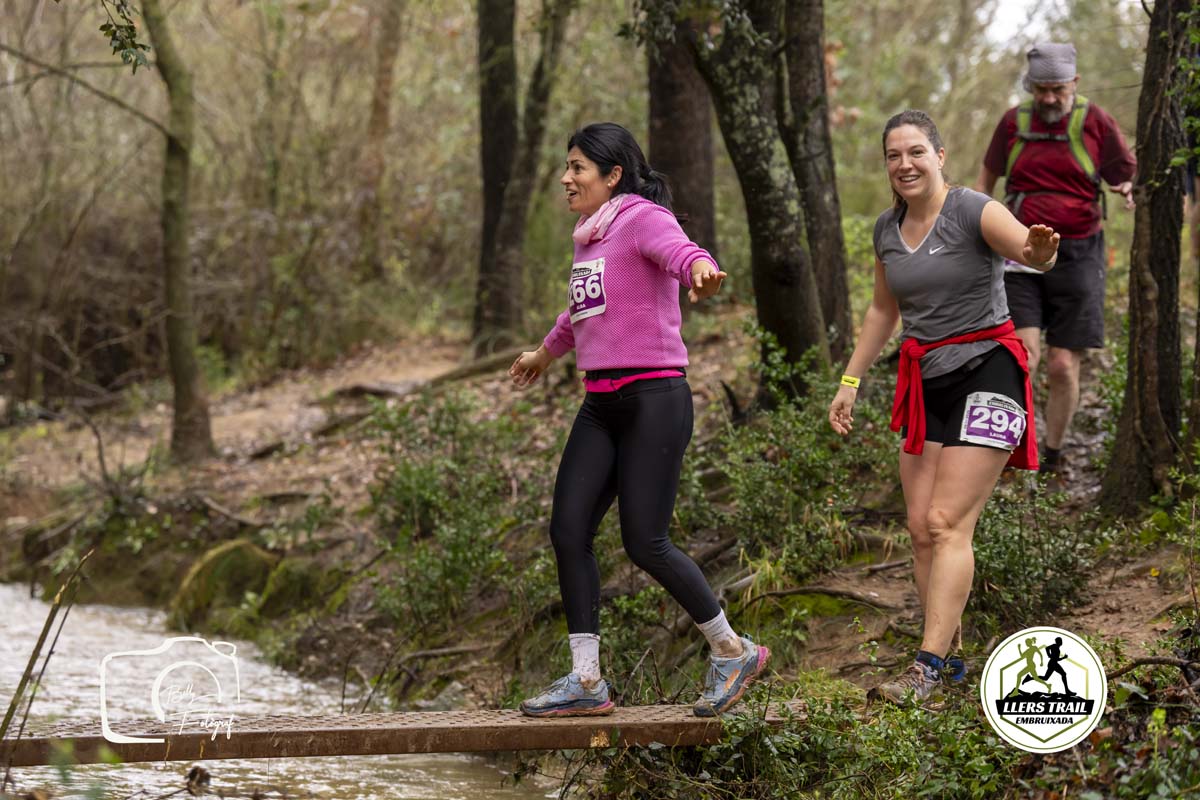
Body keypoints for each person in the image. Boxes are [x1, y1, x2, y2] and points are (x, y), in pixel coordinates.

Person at [508, 122, 769, 718]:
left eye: (577, 167)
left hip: (654, 399)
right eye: (567, 166)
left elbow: (684, 253)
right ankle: (586, 679)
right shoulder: (589, 236)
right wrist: (545, 353)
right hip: (601, 403)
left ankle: (733, 650)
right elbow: (582, 310)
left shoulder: (643, 218)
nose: (566, 178)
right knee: (568, 530)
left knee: (645, 542)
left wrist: (701, 271)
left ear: (613, 175)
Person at [829, 110, 1060, 704]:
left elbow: (1030, 251)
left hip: (990, 371)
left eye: (915, 152)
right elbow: (883, 311)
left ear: (939, 155)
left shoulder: (973, 209)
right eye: (893, 155)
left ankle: (926, 668)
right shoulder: (886, 229)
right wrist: (850, 380)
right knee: (920, 530)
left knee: (946, 522)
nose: (904, 164)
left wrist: (1039, 253)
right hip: (927, 380)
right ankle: (951, 663)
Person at [975, 43, 1136, 476]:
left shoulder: (1096, 121)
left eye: (1057, 89)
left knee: (1063, 365)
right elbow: (987, 177)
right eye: (1041, 89)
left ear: (1074, 83)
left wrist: (1127, 188)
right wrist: (975, 221)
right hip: (1020, 252)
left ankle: (1053, 454)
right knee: (1022, 357)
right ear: (1030, 86)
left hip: (1079, 252)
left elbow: (1126, 173)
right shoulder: (1013, 122)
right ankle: (1010, 452)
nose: (1048, 98)